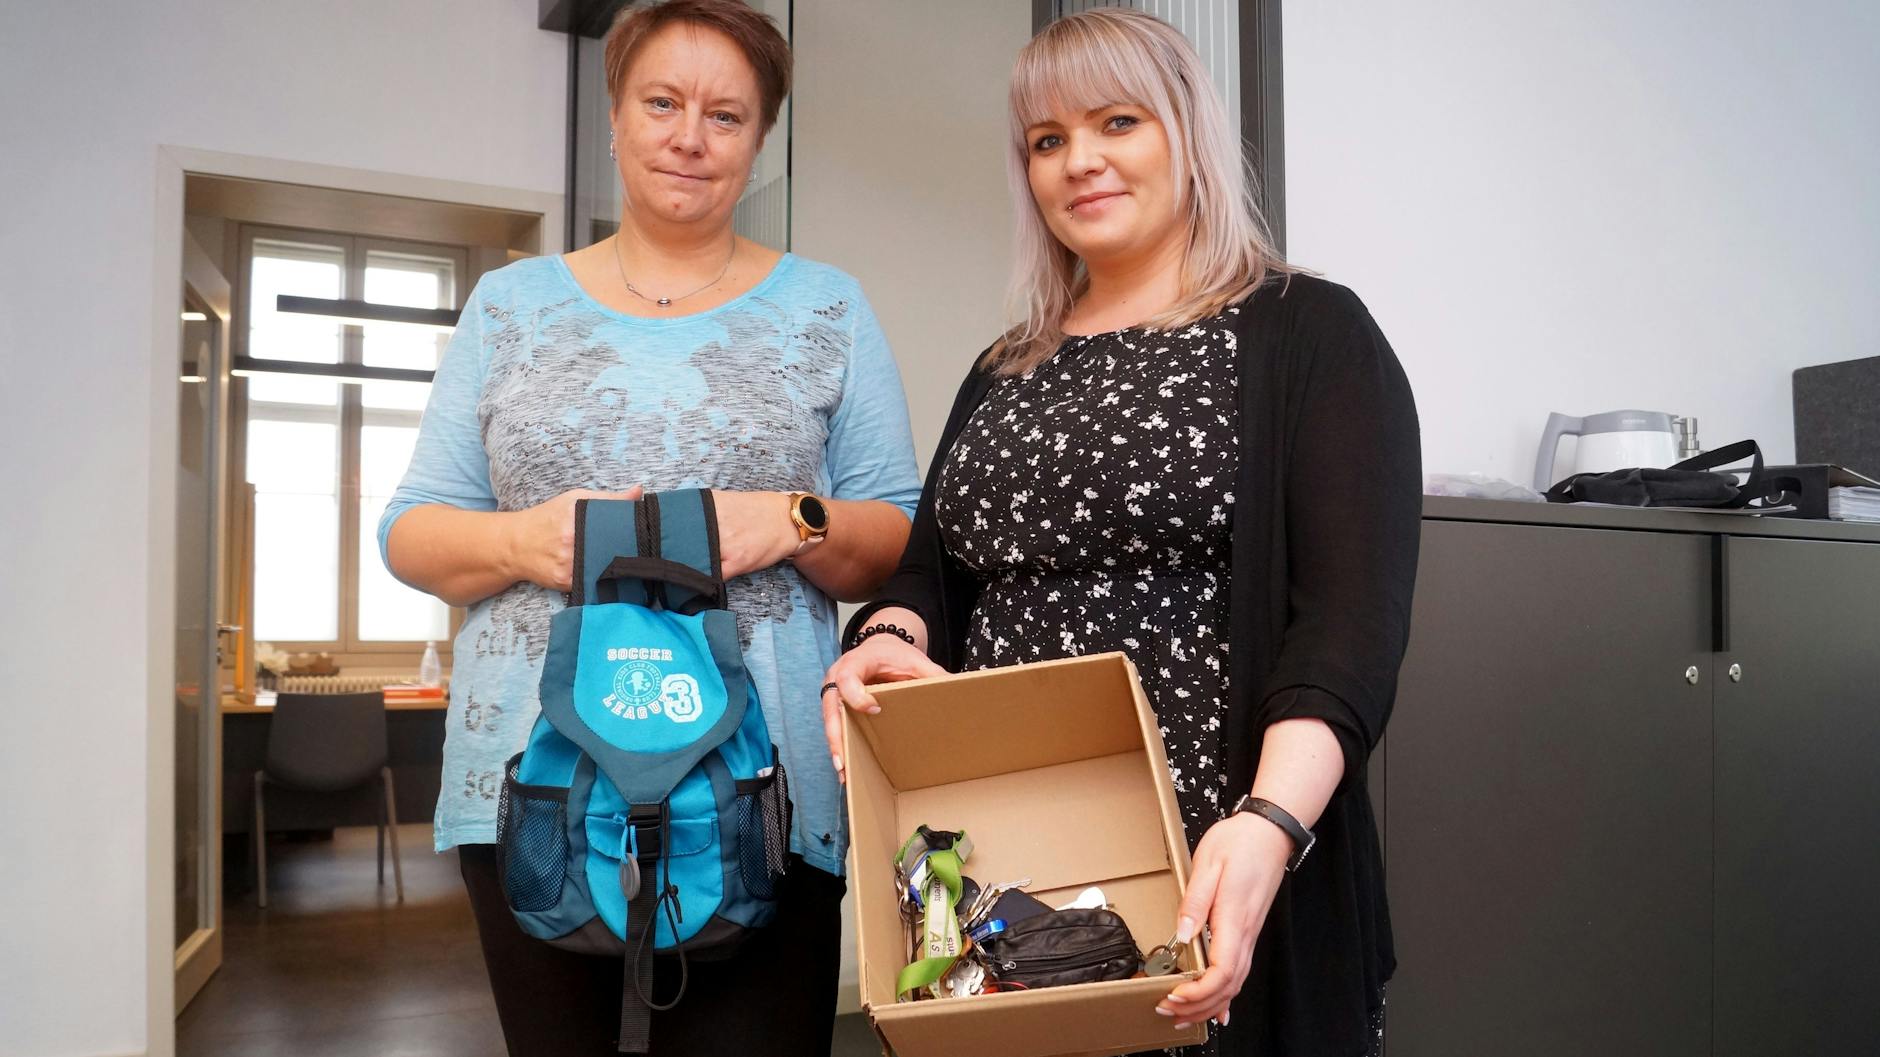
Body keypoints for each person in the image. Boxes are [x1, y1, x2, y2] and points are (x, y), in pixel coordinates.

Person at [820, 9, 1420, 1057]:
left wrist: (1270, 824)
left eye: (1115, 122)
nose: (1078, 162)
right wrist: (886, 640)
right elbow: (929, 578)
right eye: (1045, 142)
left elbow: (1345, 629)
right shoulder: (1006, 364)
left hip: (1220, 858)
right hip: (1017, 880)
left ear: (1184, 132)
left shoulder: (1308, 334)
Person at [378, 2, 921, 1053]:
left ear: (759, 139)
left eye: (725, 114)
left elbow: (897, 534)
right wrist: (522, 542)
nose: (688, 136)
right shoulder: (507, 307)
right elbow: (411, 532)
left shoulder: (829, 309)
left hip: (760, 787)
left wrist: (791, 517)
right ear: (616, 118)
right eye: (661, 103)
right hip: (534, 775)